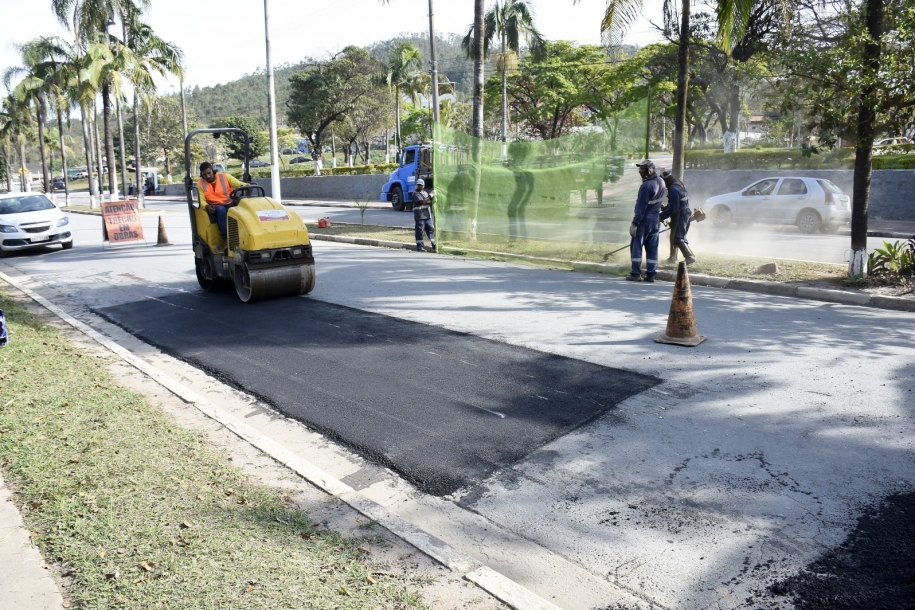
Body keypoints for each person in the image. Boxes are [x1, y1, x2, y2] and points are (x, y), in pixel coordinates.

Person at [627, 159, 666, 282]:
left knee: (636, 246)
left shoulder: (646, 186)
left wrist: (635, 223)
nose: (640, 172)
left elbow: (641, 207)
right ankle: (651, 274)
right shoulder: (661, 181)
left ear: (650, 170)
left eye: (642, 169)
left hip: (644, 221)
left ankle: (635, 273)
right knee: (652, 247)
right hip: (655, 220)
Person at [197, 161, 246, 242]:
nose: (208, 176)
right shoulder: (200, 183)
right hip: (215, 206)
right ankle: (226, 238)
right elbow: (201, 200)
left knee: (241, 207)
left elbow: (238, 184)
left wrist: (247, 186)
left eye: (209, 173)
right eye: (204, 175)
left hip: (230, 202)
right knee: (221, 210)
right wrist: (207, 206)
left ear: (213, 171)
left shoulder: (224, 176)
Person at [660, 169, 696, 265]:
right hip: (684, 212)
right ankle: (672, 258)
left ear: (666, 181)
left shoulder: (673, 189)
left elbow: (674, 208)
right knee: (674, 237)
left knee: (678, 237)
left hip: (681, 214)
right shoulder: (677, 183)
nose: (664, 186)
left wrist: (661, 216)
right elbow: (674, 203)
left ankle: (689, 257)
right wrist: (665, 208)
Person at [412, 179, 436, 252]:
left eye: (421, 185)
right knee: (420, 231)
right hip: (420, 216)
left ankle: (434, 244)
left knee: (431, 230)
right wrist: (430, 196)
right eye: (418, 185)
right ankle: (420, 246)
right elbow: (422, 202)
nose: (419, 186)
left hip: (428, 216)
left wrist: (432, 200)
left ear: (423, 186)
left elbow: (428, 202)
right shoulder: (415, 193)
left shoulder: (425, 193)